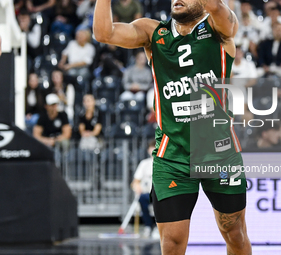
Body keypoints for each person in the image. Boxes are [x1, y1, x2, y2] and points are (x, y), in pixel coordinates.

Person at [94, 1, 251, 254]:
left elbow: (222, 14)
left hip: (220, 153)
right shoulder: (153, 33)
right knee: (173, 242)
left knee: (235, 234)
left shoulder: (219, 27)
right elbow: (104, 33)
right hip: (172, 156)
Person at [131, 140, 158, 238]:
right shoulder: (144, 164)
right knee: (142, 198)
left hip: (160, 193)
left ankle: (158, 227)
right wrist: (137, 186)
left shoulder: (164, 163)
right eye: (152, 147)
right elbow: (135, 182)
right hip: (148, 194)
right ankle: (148, 226)